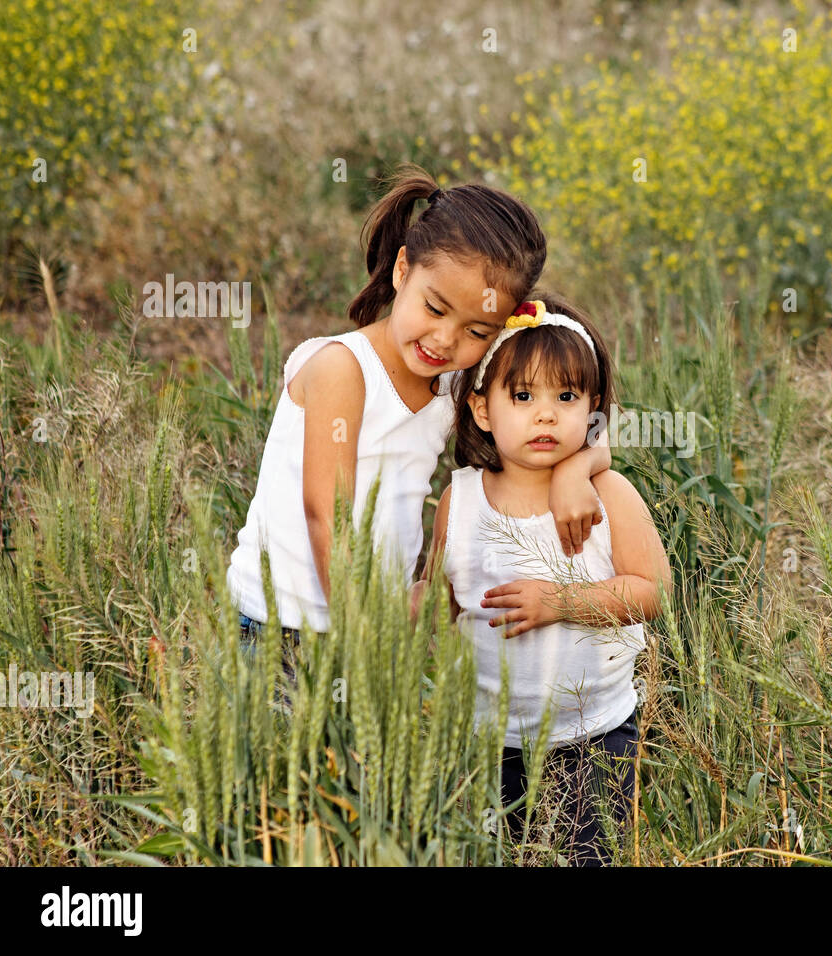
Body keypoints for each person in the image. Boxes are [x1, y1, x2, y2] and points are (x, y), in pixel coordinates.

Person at [227, 166, 611, 668]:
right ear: (402, 270)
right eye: (434, 308)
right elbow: (329, 516)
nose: (446, 340)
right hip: (279, 629)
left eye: (477, 331)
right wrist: (368, 627)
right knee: (280, 750)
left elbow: (588, 427)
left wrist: (576, 470)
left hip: (374, 627)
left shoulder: (456, 383)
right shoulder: (343, 370)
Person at [423, 294, 672, 866]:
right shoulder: (460, 502)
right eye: (523, 396)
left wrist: (560, 601)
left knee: (591, 856)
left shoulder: (610, 495)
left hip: (596, 737)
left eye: (566, 397)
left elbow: (654, 592)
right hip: (489, 740)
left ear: (592, 410)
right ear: (483, 410)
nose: (546, 414)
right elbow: (441, 607)